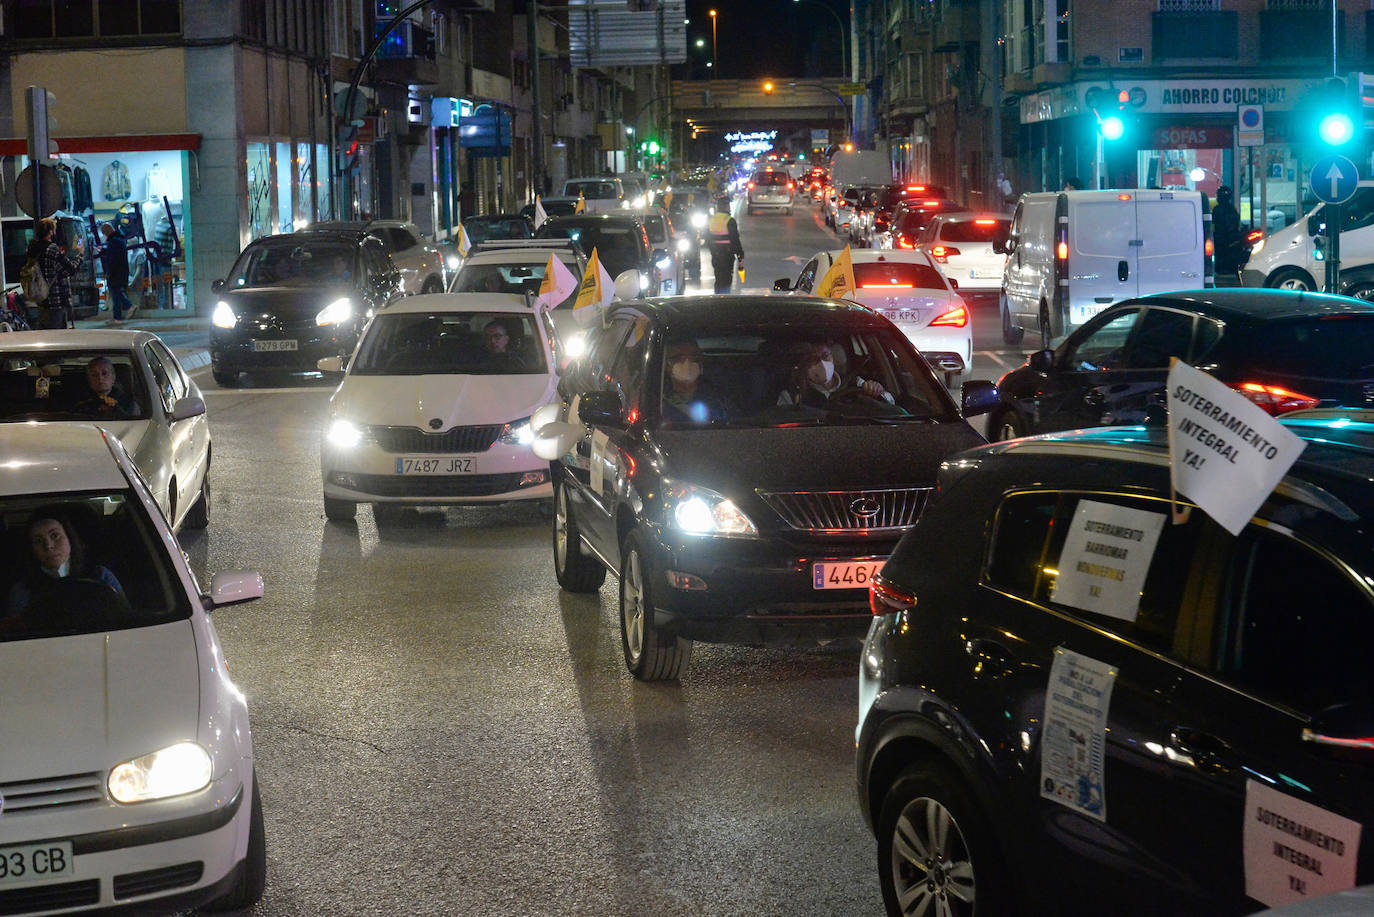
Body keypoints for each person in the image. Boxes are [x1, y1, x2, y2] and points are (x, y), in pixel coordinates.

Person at [5, 510, 124, 618]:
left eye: (55, 536)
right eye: (38, 541)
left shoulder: (101, 575)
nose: (48, 546)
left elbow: (124, 616)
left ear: (69, 538)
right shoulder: (23, 591)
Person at [779, 341, 893, 407]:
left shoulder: (855, 382)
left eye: (825, 356)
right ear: (805, 365)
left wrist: (877, 391)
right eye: (813, 360)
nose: (821, 363)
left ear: (833, 357)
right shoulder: (792, 394)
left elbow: (890, 405)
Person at [25, 217, 83, 329]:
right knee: (56, 338)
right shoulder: (52, 249)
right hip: (55, 302)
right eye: (54, 229)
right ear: (50, 231)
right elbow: (69, 269)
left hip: (41, 301)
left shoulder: (32, 249)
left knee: (44, 337)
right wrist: (80, 255)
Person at [661, 340, 729, 422]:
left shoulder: (718, 396)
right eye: (678, 358)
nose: (687, 363)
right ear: (666, 365)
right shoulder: (658, 400)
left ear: (701, 363)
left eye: (694, 357)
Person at [73, 356, 139, 417]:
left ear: (113, 377)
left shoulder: (129, 404)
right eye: (94, 375)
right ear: (89, 379)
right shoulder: (81, 405)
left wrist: (116, 410)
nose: (100, 378)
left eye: (104, 373)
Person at [706, 197, 744, 294]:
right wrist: (740, 256)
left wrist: (713, 251)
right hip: (727, 255)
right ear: (726, 206)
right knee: (726, 279)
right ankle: (724, 300)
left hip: (715, 255)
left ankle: (717, 298)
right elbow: (735, 240)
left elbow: (707, 239)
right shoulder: (729, 220)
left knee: (718, 278)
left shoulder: (711, 220)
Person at [97, 222, 132, 323]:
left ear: (107, 231)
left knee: (115, 292)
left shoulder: (113, 241)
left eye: (104, 233)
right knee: (116, 292)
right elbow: (114, 253)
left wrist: (109, 271)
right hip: (121, 271)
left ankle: (127, 306)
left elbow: (113, 258)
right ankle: (117, 316)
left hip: (116, 272)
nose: (104, 235)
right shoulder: (119, 239)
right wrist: (104, 251)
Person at [1212, 185, 1245, 284]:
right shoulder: (1231, 209)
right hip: (1230, 237)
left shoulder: (1219, 209)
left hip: (1224, 238)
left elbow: (1215, 223)